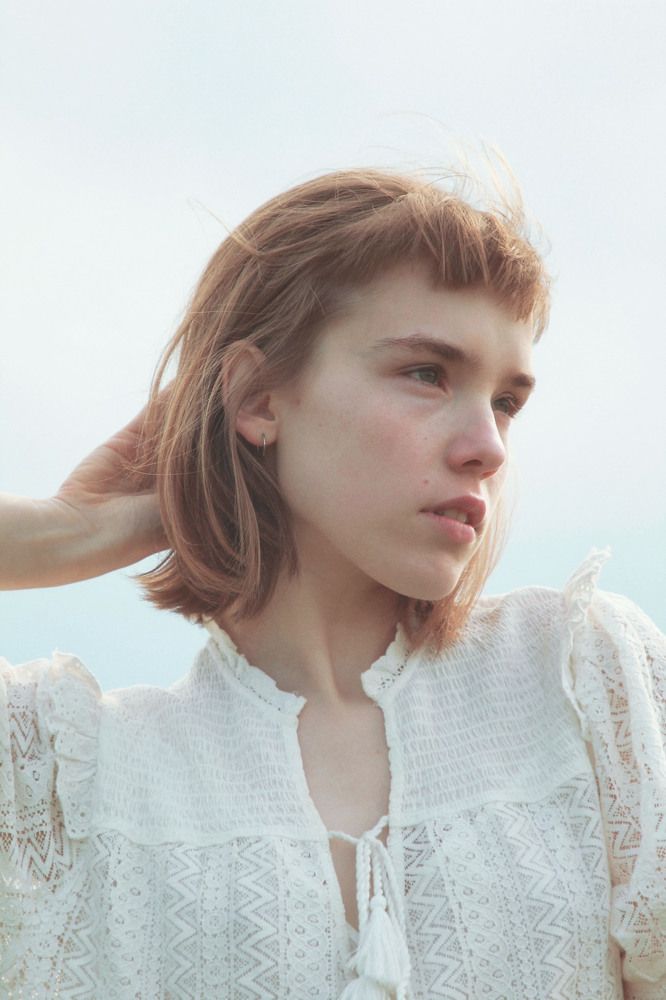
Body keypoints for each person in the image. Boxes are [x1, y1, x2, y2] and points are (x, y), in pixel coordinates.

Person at [1, 168, 664, 1000]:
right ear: (257, 398)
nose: (488, 446)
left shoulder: (582, 683)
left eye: (505, 402)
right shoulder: (60, 779)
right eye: (427, 373)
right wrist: (63, 534)